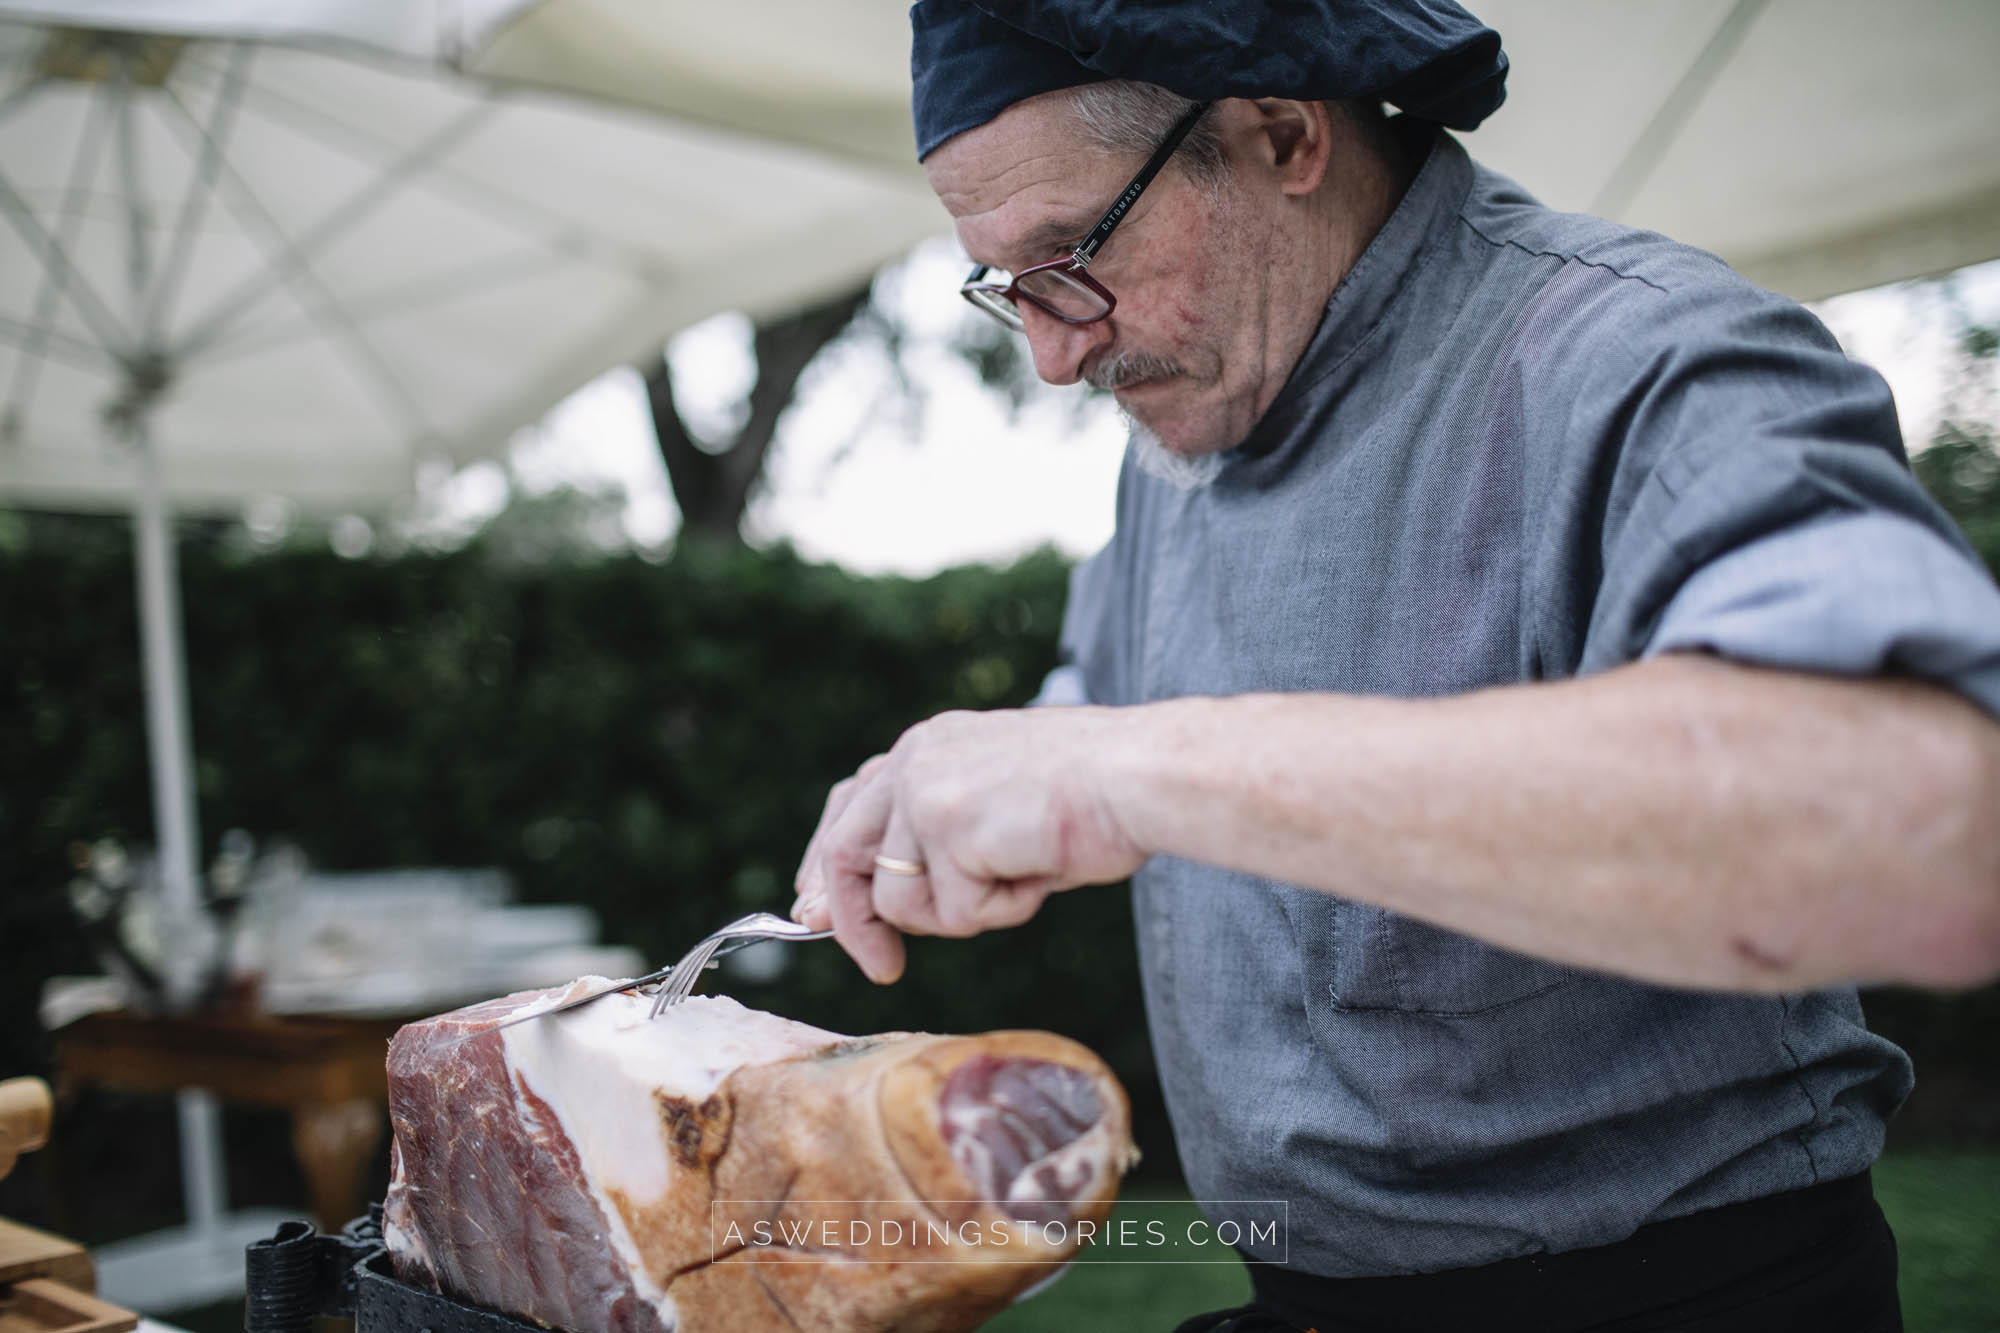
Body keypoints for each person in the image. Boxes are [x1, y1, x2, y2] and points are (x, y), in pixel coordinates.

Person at [791, 3, 2000, 1328]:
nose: (1052, 352)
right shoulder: (1182, 429)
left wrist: (1118, 770)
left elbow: (1928, 823)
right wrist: (967, 782)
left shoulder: (1640, 354)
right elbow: (1099, 705)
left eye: (1071, 255)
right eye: (1005, 285)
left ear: (1282, 133)